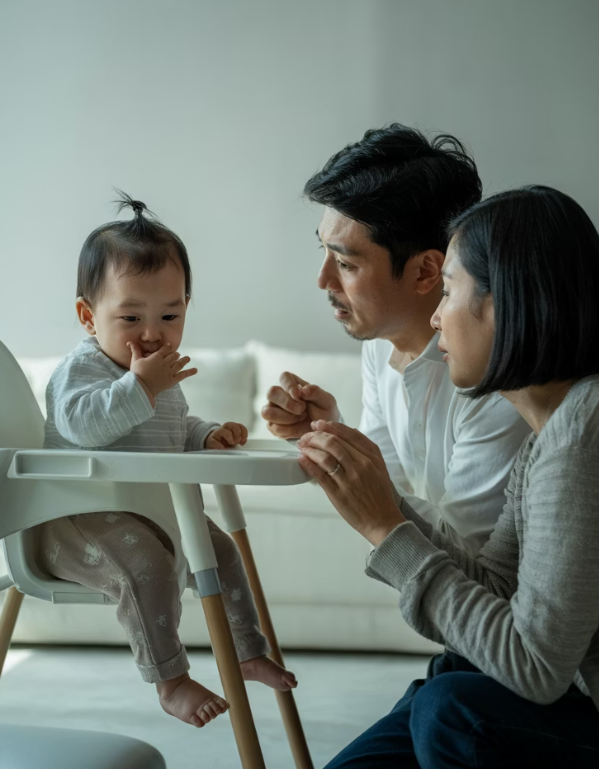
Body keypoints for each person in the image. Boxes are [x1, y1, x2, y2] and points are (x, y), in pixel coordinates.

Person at [298, 185, 599, 768]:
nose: (436, 318)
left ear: (503, 303)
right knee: (446, 684)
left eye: (449, 290)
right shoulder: (546, 438)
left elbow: (535, 667)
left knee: (453, 707)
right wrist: (375, 499)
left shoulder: (581, 433)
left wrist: (388, 530)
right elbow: (498, 589)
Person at [38, 194, 296, 729]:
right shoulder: (82, 370)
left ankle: (245, 652)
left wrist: (206, 436)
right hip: (74, 518)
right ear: (88, 317)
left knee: (221, 551)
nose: (152, 332)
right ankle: (169, 679)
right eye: (131, 316)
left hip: (148, 513)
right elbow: (82, 425)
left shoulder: (158, 377)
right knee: (148, 566)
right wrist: (140, 386)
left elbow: (171, 431)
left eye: (170, 315)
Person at [263, 125, 530, 552]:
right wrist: (330, 437)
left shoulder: (500, 379)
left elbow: (468, 552)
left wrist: (344, 459)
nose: (322, 280)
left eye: (346, 264)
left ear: (425, 272)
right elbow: (392, 491)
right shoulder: (379, 346)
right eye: (324, 251)